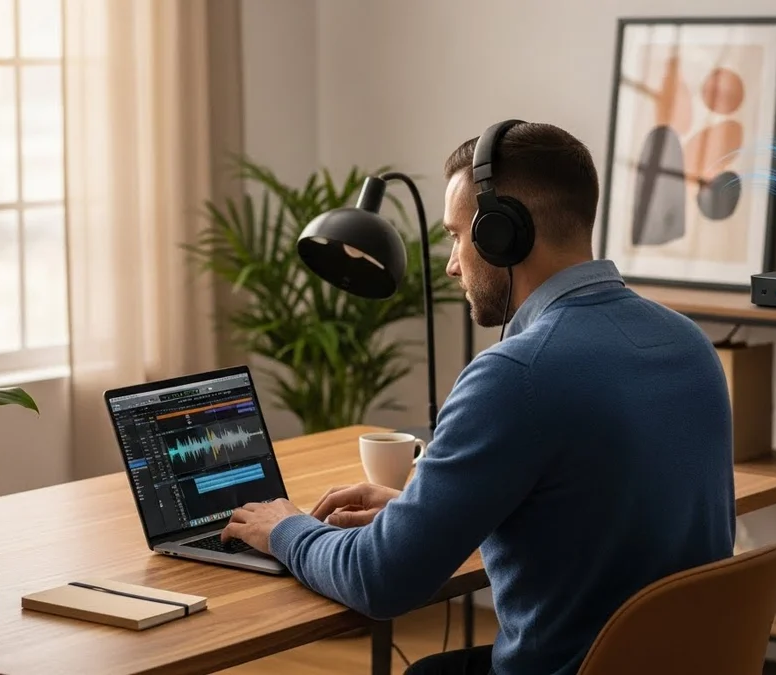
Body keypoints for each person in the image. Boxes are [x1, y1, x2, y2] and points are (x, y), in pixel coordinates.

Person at [221, 121, 736, 674]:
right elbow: (597, 518)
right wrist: (419, 515)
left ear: (501, 234)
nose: (449, 264)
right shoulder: (688, 343)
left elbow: (381, 582)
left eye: (455, 235)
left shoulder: (518, 374)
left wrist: (285, 529)